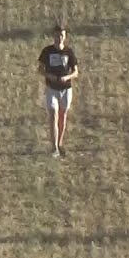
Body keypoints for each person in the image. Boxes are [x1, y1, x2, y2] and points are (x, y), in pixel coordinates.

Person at [37, 24, 79, 158]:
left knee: (62, 115)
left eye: (61, 35)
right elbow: (40, 69)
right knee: (53, 115)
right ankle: (54, 146)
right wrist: (50, 76)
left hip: (66, 89)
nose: (59, 38)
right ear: (53, 36)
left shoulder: (69, 52)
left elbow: (76, 72)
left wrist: (66, 77)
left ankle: (60, 143)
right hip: (52, 88)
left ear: (65, 37)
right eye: (57, 35)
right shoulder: (47, 51)